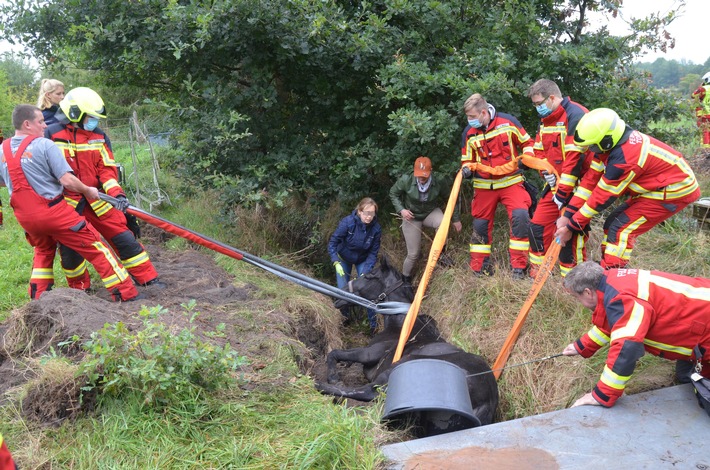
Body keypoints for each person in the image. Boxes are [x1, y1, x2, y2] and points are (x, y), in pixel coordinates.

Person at [0, 104, 141, 301]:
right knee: (96, 247)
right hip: (54, 212)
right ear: (27, 124)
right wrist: (87, 190)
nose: (44, 126)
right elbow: (67, 181)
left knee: (42, 252)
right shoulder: (45, 144)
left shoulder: (2, 150)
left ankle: (39, 301)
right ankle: (126, 294)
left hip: (25, 219)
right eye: (40, 122)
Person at [45, 87, 165, 291]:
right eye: (91, 117)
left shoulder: (98, 136)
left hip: (98, 199)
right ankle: (80, 289)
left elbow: (107, 170)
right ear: (75, 113)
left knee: (123, 236)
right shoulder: (52, 134)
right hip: (67, 204)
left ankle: (147, 278)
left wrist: (117, 194)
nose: (94, 122)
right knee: (71, 249)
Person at [555, 108, 700, 269]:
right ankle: (609, 269)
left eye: (592, 146)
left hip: (675, 190)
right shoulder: (609, 146)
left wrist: (571, 227)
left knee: (620, 229)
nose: (590, 150)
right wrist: (568, 215)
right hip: (655, 187)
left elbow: (600, 199)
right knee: (612, 224)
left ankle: (612, 276)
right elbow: (589, 183)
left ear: (606, 141)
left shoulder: (624, 159)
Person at [562, 261, 710, 408]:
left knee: (703, 390)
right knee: (686, 376)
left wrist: (602, 395)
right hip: (699, 319)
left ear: (588, 292)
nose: (579, 302)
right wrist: (581, 346)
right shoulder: (612, 282)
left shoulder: (622, 298)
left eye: (577, 297)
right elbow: (617, 321)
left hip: (705, 329)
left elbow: (627, 347)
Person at [460, 93, 534, 278]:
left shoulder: (508, 122)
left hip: (511, 182)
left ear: (484, 112)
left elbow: (528, 143)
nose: (469, 121)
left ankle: (519, 268)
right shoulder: (468, 134)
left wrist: (527, 159)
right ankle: (480, 268)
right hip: (484, 187)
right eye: (468, 117)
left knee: (521, 217)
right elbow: (467, 160)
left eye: (472, 117)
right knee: (480, 226)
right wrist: (467, 169)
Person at [526, 79, 594, 278]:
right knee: (537, 226)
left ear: (552, 98)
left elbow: (575, 159)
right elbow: (539, 151)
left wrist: (563, 191)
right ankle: (538, 275)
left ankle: (575, 284)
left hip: (580, 187)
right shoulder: (545, 121)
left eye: (539, 104)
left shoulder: (576, 115)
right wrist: (545, 171)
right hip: (555, 186)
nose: (538, 109)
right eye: (535, 105)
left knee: (570, 235)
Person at [389, 156, 462, 283]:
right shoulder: (406, 180)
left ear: (431, 171)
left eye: (425, 176)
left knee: (442, 222)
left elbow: (450, 198)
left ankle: (441, 254)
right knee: (413, 254)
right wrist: (402, 210)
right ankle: (404, 280)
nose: (421, 179)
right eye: (419, 176)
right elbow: (393, 193)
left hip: (430, 212)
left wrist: (456, 219)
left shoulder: (438, 180)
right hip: (412, 216)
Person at [328, 197, 382, 331]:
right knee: (343, 290)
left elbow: (373, 253)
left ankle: (373, 326)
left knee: (369, 290)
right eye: (366, 213)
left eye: (372, 214)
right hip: (343, 258)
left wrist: (365, 271)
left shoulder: (376, 229)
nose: (369, 217)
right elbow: (333, 243)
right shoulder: (348, 223)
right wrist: (336, 261)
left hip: (362, 259)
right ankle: (344, 320)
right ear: (359, 211)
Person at [691, 72, 710, 150]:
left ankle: (706, 150)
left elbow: (693, 95)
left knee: (705, 131)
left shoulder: (703, 89)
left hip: (704, 114)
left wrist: (701, 86)